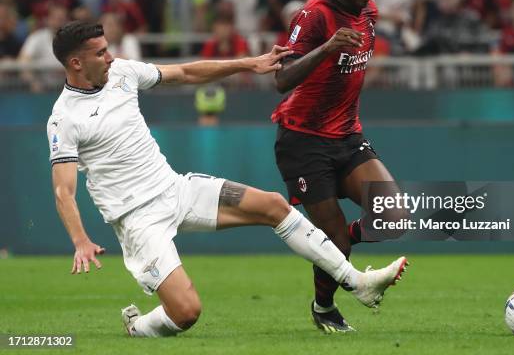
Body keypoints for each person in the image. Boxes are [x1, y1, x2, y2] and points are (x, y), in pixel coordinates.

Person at [47, 20, 407, 338]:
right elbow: (64, 191)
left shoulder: (123, 73)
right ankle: (137, 326)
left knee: (273, 206)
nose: (110, 57)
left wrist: (250, 64)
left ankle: (357, 282)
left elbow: (186, 73)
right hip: (137, 219)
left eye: (108, 49)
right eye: (100, 53)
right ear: (76, 63)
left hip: (176, 189)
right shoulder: (65, 118)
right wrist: (80, 240)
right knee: (186, 313)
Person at [271, 0, 406, 334]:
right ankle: (324, 306)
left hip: (347, 135)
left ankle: (331, 247)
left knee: (393, 217)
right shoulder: (313, 16)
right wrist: (329, 48)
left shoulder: (369, 12)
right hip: (303, 141)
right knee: (337, 243)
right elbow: (282, 79)